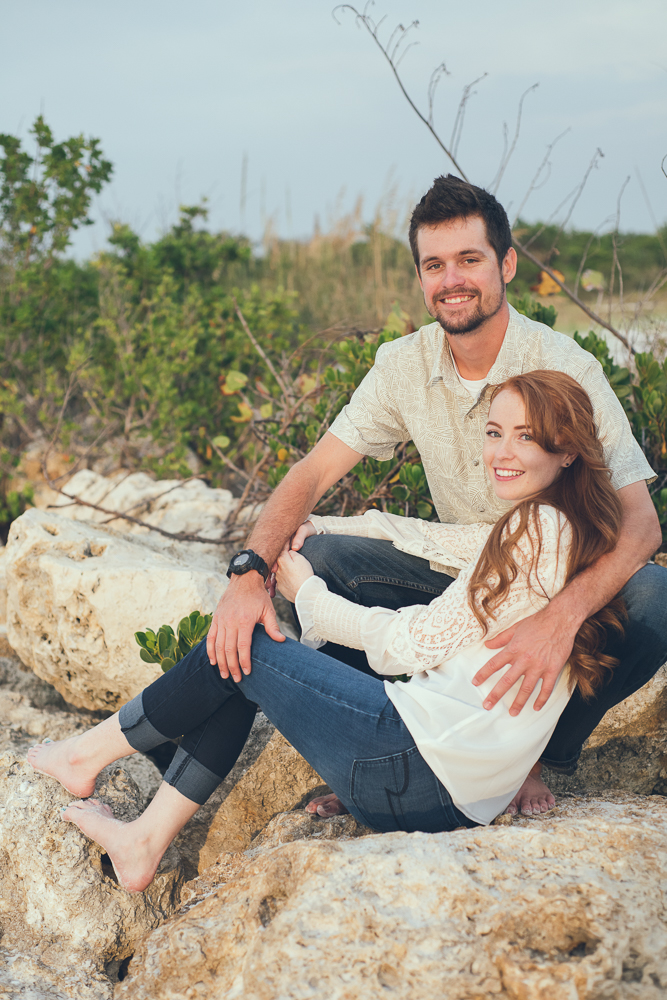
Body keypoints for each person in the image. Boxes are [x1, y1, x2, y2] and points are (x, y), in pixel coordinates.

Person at [29, 371, 629, 892]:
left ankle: (85, 757)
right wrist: (321, 526)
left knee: (247, 641)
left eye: (525, 436)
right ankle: (143, 841)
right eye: (495, 431)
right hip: (456, 798)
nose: (502, 450)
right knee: (244, 658)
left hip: (413, 767)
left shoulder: (536, 530)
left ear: (568, 450)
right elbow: (438, 541)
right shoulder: (566, 529)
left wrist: (304, 592)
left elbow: (406, 646)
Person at [206, 174, 666, 817]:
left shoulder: (563, 365)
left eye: (470, 260)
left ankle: (536, 755)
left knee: (654, 595)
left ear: (506, 263)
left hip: (549, 585)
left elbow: (642, 528)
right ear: (422, 277)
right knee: (329, 558)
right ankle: (372, 749)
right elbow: (311, 474)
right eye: (435, 264)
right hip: (460, 583)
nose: (453, 279)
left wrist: (558, 620)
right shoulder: (404, 365)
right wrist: (249, 573)